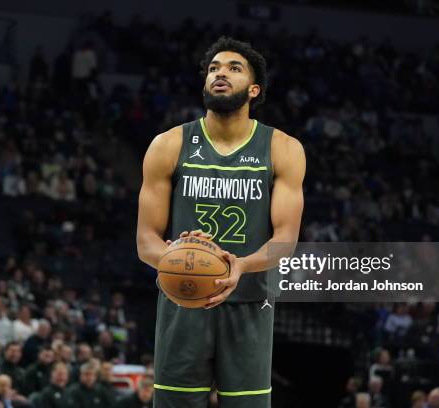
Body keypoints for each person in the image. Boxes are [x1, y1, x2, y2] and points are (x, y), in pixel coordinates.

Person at [137, 37, 305, 408]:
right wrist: (176, 253)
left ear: (254, 89)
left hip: (249, 304)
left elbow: (286, 239)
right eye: (214, 68)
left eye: (233, 68)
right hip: (183, 303)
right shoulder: (168, 145)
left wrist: (240, 265)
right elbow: (146, 240)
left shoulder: (282, 148)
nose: (220, 74)